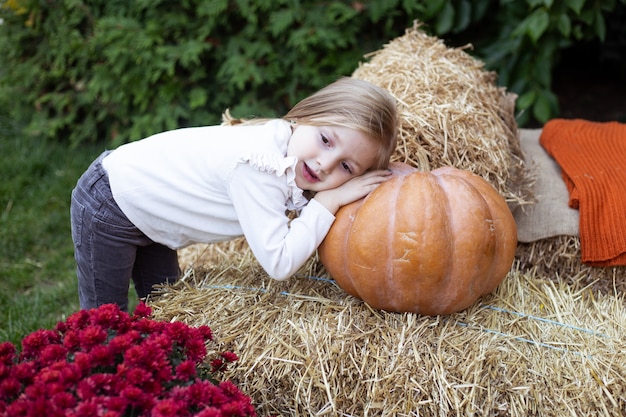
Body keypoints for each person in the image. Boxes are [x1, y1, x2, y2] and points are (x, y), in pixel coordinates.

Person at [70, 77, 398, 311]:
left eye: (347, 167)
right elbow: (280, 262)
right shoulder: (258, 165)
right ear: (305, 116)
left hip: (149, 216)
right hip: (111, 205)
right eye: (326, 140)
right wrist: (328, 202)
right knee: (104, 324)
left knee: (163, 312)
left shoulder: (288, 147)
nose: (325, 164)